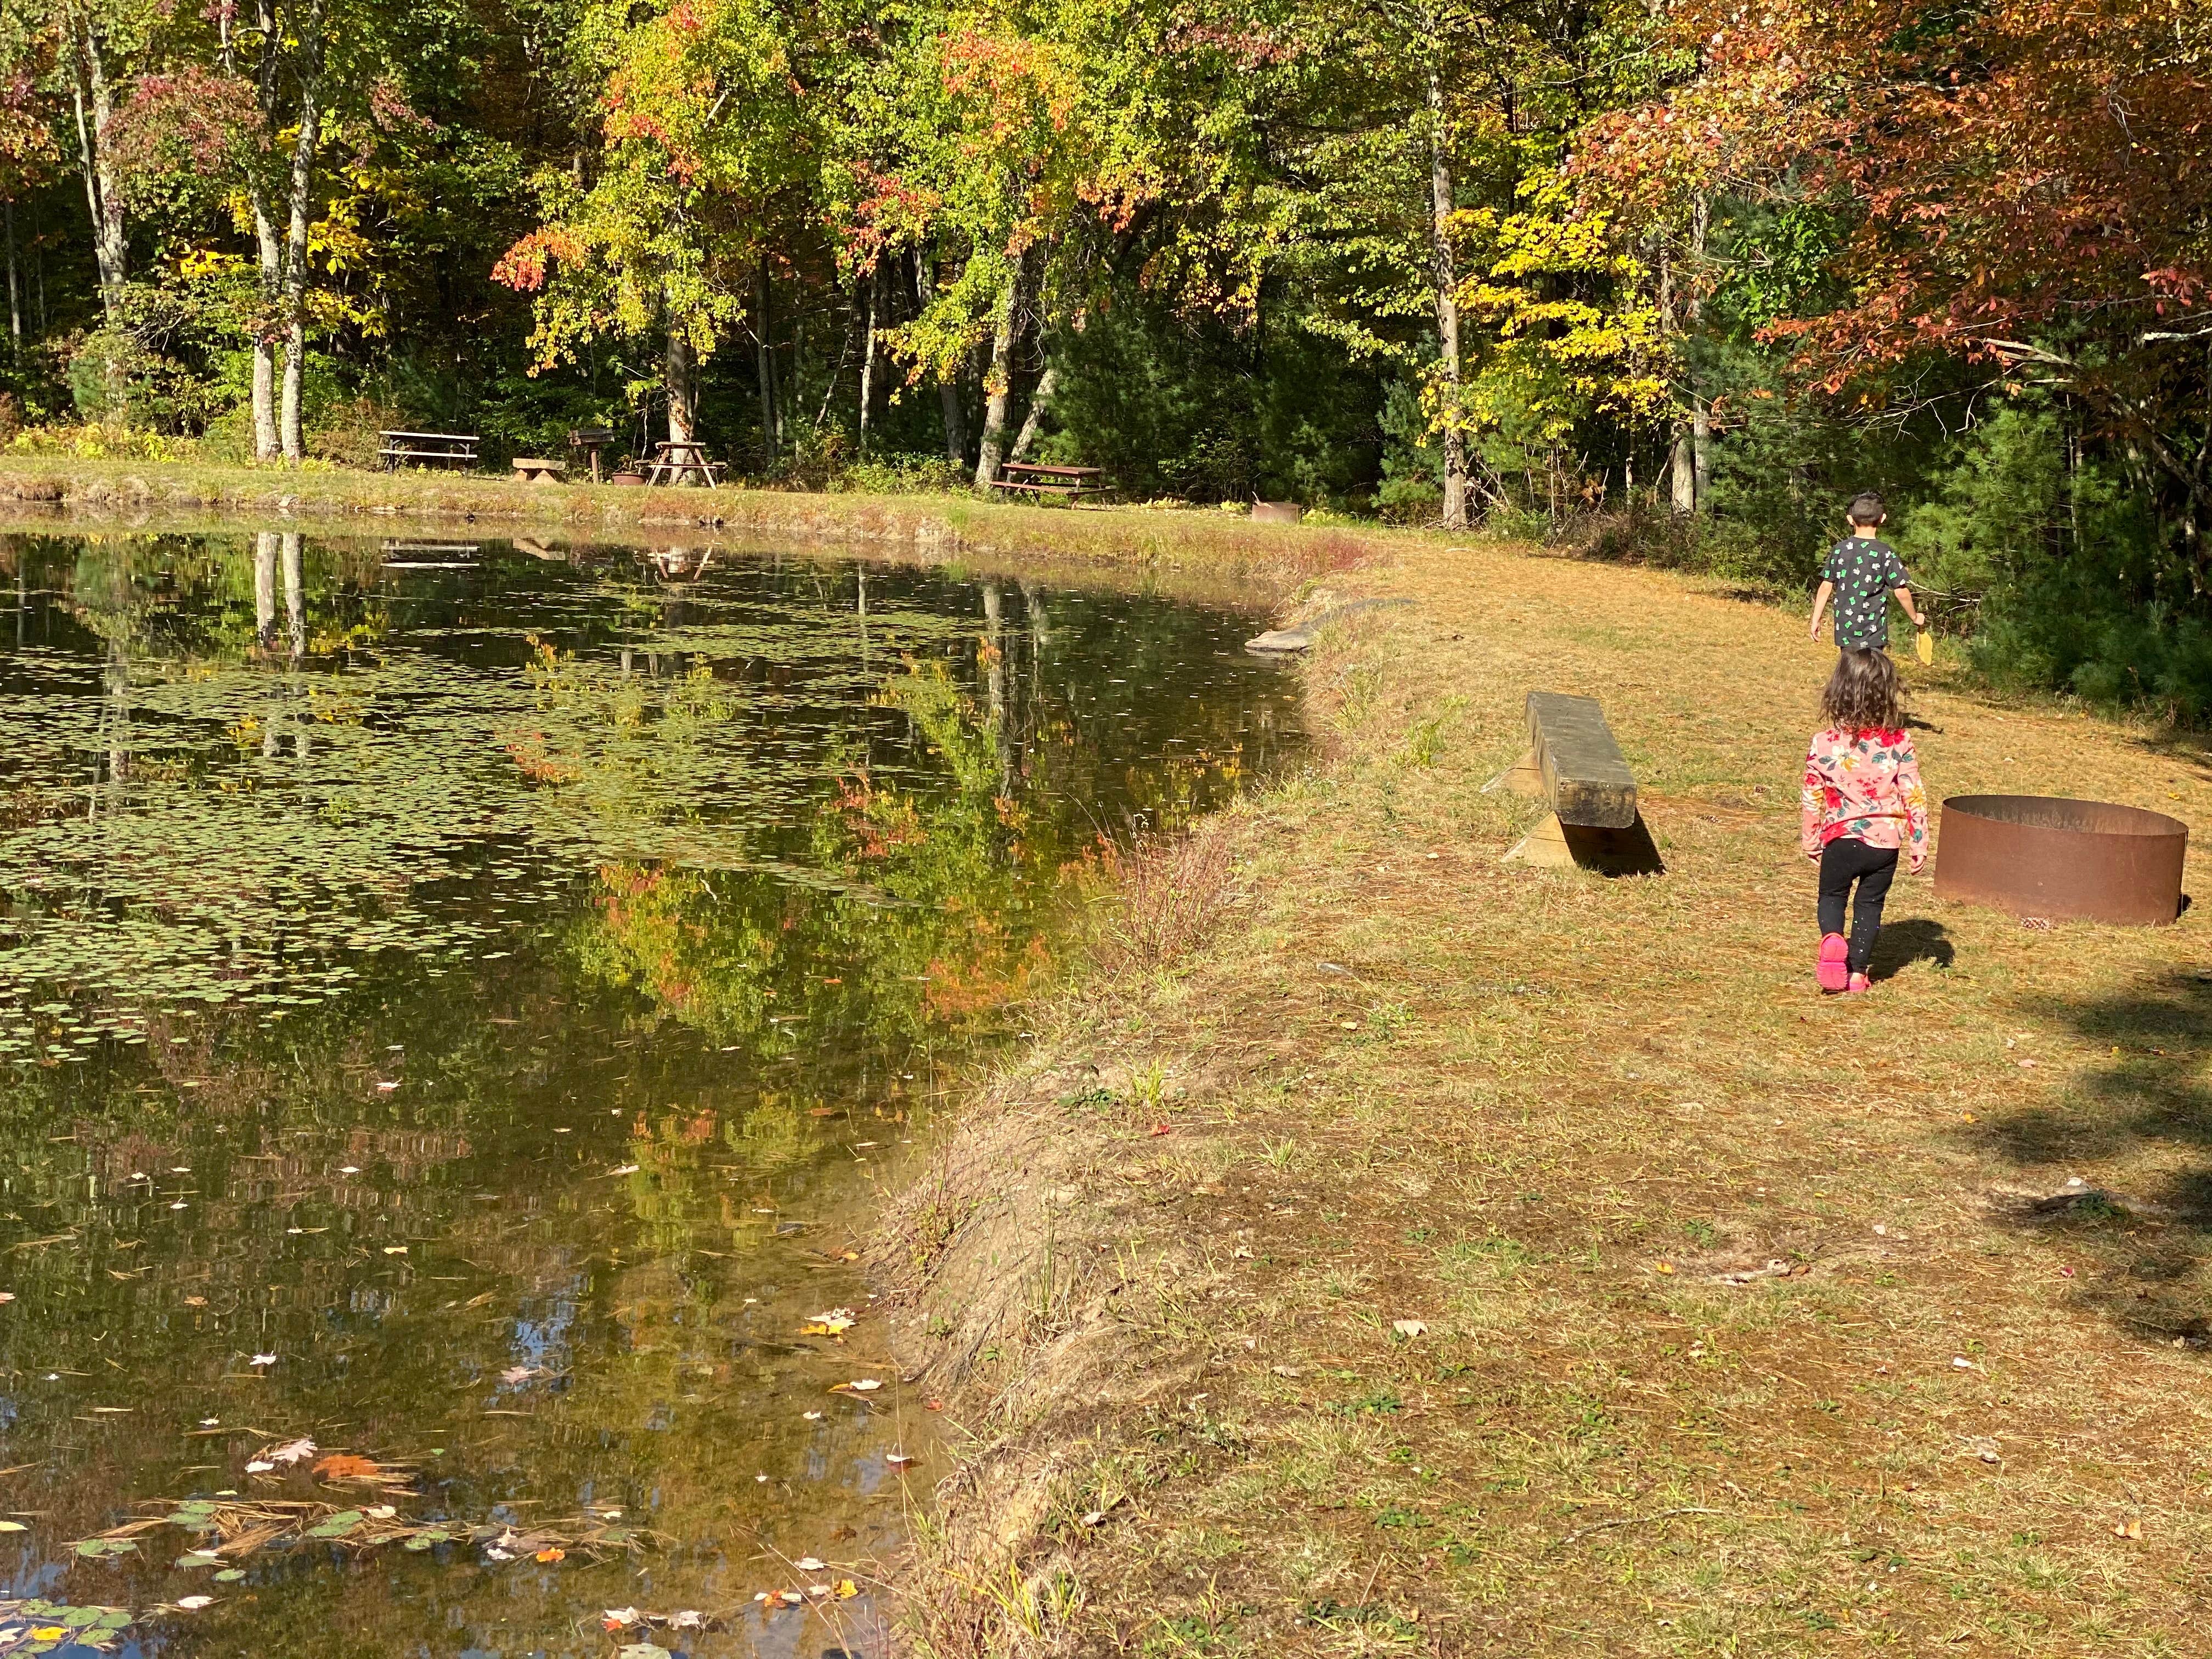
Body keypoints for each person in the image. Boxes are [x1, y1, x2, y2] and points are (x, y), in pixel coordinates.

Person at [1801, 648, 1928, 994]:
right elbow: (1913, 794)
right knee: (1870, 905)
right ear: (1888, 693)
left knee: (1832, 896)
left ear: (1837, 690)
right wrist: (1920, 841)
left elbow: (1812, 796)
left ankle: (1832, 939)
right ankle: (1858, 974)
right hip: (1884, 845)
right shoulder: (1901, 741)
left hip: (1840, 840)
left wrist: (1811, 838)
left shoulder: (1824, 743)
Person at [1809, 492, 1926, 651]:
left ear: (1850, 520)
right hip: (1874, 634)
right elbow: (1901, 591)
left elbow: (1825, 587)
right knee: (1873, 672)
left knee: (1850, 671)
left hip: (1846, 632)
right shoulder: (1885, 553)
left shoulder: (1840, 550)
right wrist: (1915, 617)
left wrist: (1816, 619)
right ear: (1882, 519)